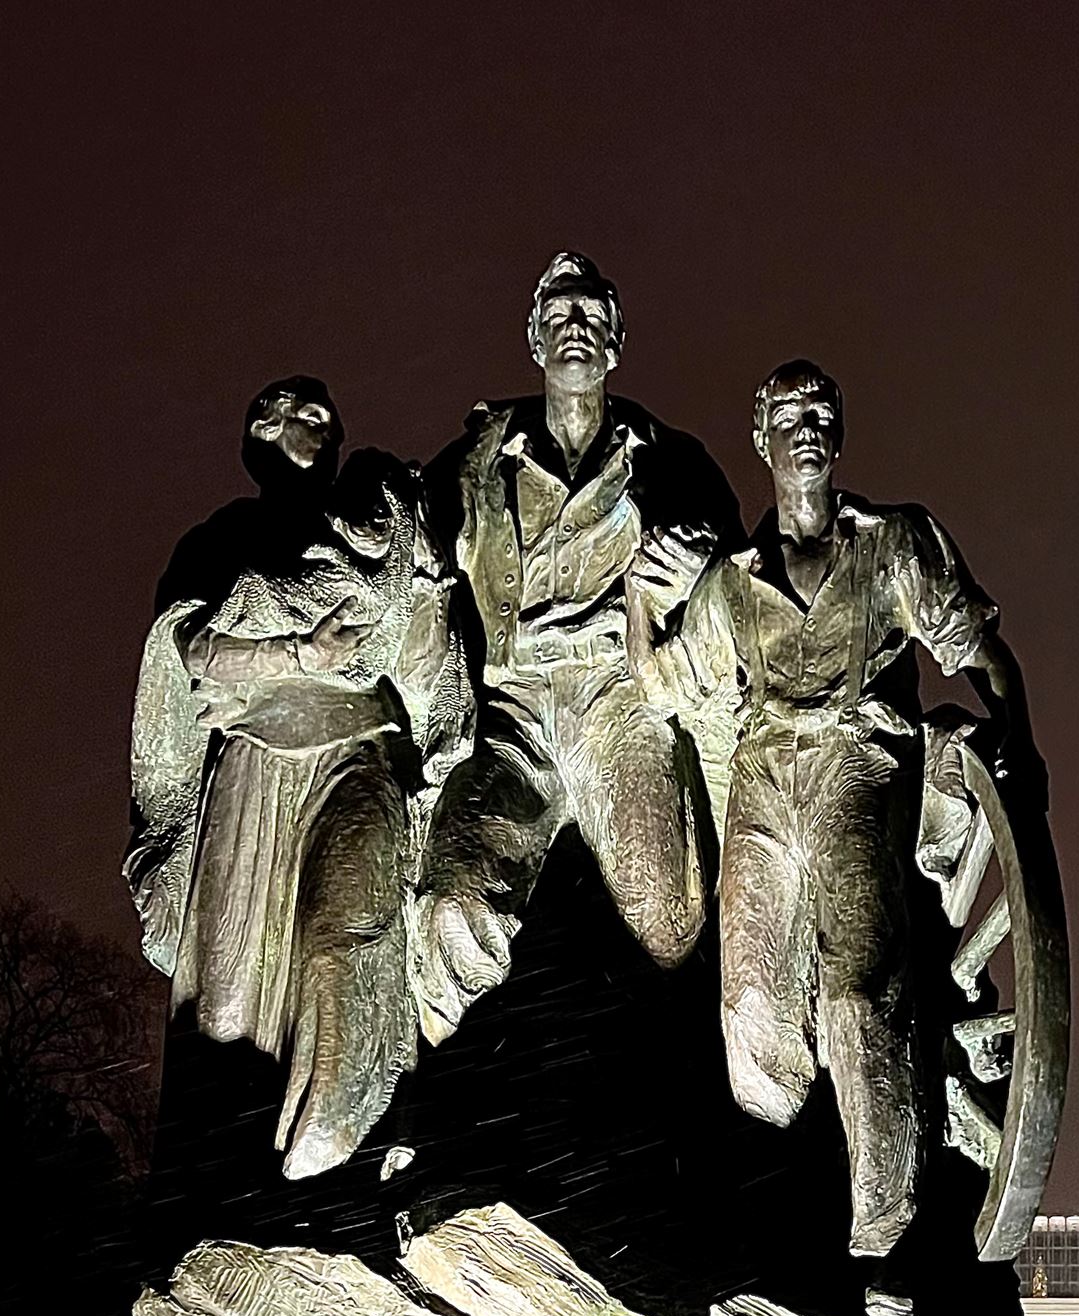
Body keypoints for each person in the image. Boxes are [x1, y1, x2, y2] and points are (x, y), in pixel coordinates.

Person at [631, 359, 1036, 1261]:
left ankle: (884, 1234)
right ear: (762, 441)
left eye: (820, 413)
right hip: (764, 780)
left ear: (841, 431)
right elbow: (662, 685)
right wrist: (638, 598)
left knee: (859, 995)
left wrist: (1021, 739)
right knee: (749, 1014)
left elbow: (979, 649)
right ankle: (798, 1177)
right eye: (788, 417)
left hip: (858, 760)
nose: (806, 429)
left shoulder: (894, 545)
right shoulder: (732, 583)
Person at [124, 383, 470, 1179]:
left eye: (324, 416)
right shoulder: (223, 539)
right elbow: (192, 653)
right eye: (297, 415)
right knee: (229, 993)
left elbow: (424, 647)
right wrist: (299, 656)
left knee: (350, 924)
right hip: (253, 768)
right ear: (259, 433)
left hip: (360, 752)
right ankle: (232, 1177)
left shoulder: (378, 526)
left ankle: (359, 1143)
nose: (318, 427)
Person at [411, 252, 741, 1044]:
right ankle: (443, 1069)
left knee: (670, 922)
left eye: (591, 315)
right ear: (533, 339)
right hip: (512, 712)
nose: (575, 329)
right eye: (559, 316)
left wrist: (704, 572)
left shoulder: (672, 460)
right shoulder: (474, 463)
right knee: (452, 901)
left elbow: (742, 581)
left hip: (618, 699)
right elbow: (407, 557)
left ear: (618, 340)